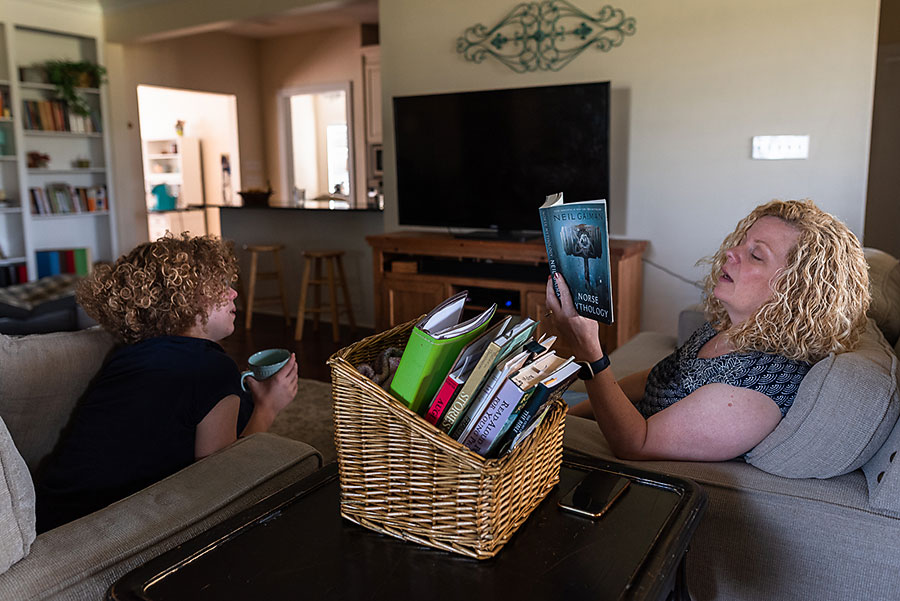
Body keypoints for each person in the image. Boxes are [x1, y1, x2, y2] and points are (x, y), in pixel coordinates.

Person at [549, 199, 870, 462]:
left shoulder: (757, 391)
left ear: (797, 290)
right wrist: (571, 412)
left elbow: (636, 444)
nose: (731, 252)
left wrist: (589, 349)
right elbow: (659, 376)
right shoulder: (731, 327)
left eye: (756, 254)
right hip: (619, 412)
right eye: (741, 243)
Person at [35, 234, 298, 532]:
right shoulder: (211, 367)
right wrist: (268, 407)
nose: (233, 293)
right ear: (183, 298)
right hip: (97, 530)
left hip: (50, 513)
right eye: (219, 285)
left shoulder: (129, 355)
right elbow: (223, 481)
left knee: (240, 404)